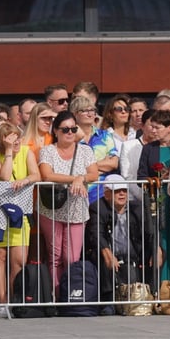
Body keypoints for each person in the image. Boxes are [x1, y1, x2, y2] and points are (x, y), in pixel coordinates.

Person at [0, 122, 41, 318]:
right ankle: (3, 302)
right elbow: (5, 176)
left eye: (18, 138)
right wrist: (7, 151)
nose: (16, 143)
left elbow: (36, 174)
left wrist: (26, 180)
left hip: (19, 207)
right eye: (11, 139)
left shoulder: (26, 152)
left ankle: (15, 300)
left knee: (18, 259)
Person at [37, 111, 98, 290]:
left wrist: (81, 178)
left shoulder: (85, 150)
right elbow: (47, 175)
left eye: (73, 129)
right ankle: (56, 296)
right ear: (55, 131)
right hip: (51, 208)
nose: (70, 133)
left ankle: (70, 293)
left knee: (71, 257)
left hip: (77, 208)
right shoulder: (48, 150)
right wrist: (76, 179)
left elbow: (94, 174)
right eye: (65, 129)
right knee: (54, 256)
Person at [86, 174, 159, 303]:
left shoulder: (137, 208)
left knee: (157, 252)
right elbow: (96, 233)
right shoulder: (98, 207)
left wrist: (156, 248)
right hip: (110, 252)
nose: (122, 194)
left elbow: (150, 232)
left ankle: (152, 293)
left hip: (134, 253)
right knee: (103, 254)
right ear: (107, 193)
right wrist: (107, 252)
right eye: (117, 191)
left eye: (124, 190)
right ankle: (108, 299)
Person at [136, 109, 170, 283]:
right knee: (161, 240)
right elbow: (140, 177)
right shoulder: (149, 149)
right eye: (152, 127)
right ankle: (162, 284)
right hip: (158, 200)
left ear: (169, 128)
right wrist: (154, 180)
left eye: (157, 127)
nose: (153, 131)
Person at [71, 95, 118, 204]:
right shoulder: (70, 137)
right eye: (84, 110)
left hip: (102, 195)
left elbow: (113, 164)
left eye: (92, 110)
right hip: (76, 194)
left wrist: (86, 167)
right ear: (74, 114)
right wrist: (101, 165)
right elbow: (70, 165)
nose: (90, 113)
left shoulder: (105, 135)